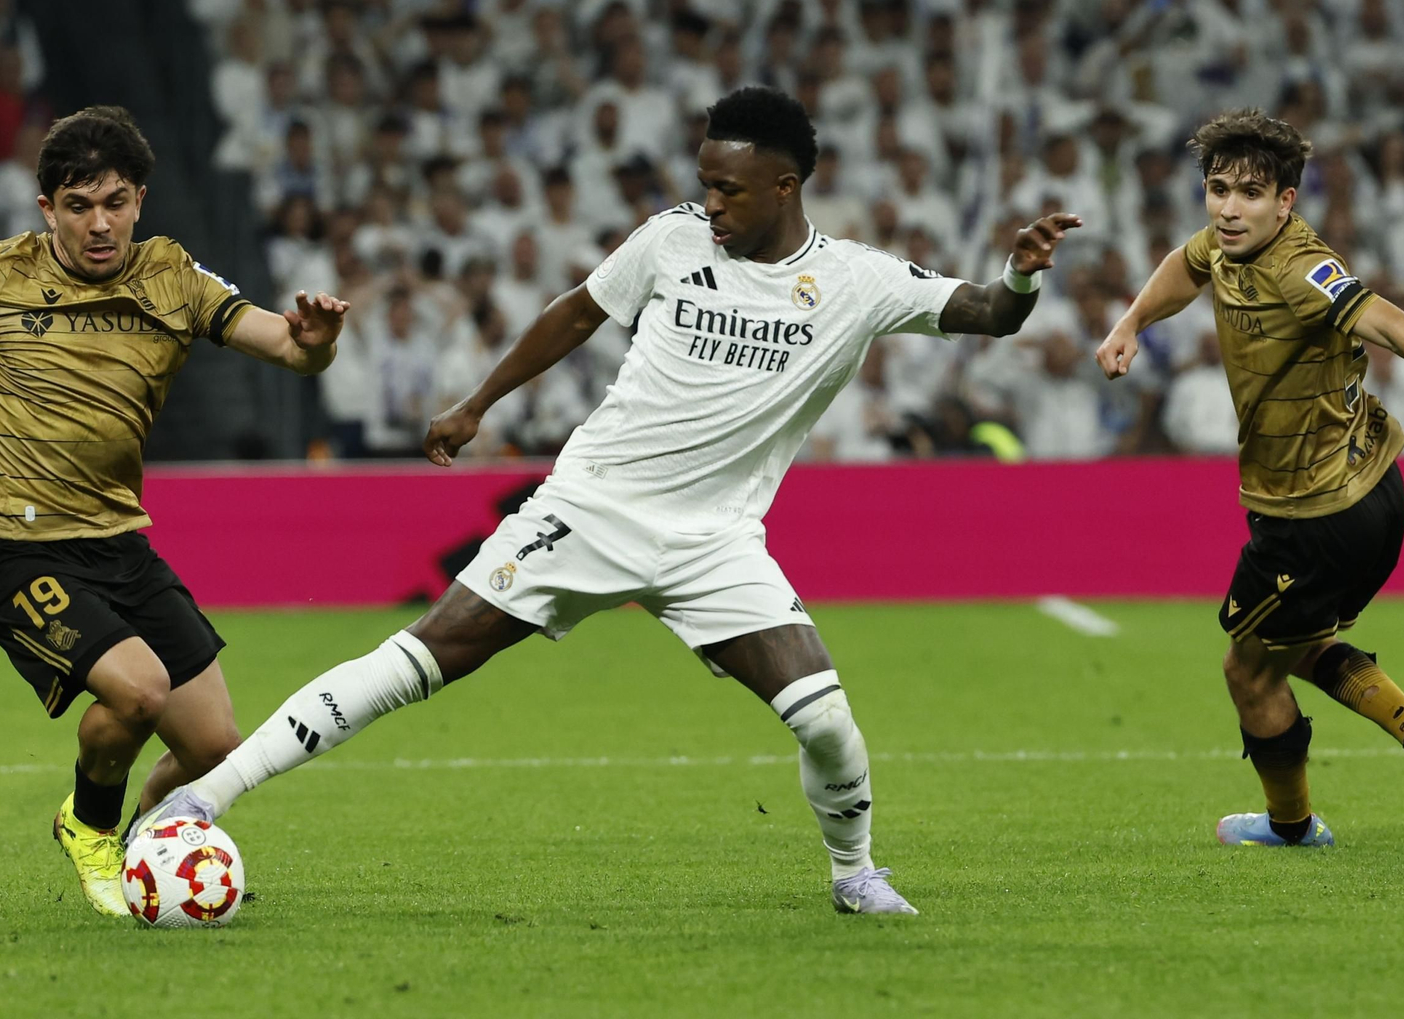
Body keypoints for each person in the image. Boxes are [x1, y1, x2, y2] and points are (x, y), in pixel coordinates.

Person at [138, 87, 1080, 915]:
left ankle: (854, 873)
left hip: (714, 542)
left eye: (730, 189)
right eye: (704, 181)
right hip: (587, 511)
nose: (709, 203)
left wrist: (1022, 273)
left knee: (826, 719)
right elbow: (576, 312)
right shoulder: (670, 239)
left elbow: (991, 316)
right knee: (419, 658)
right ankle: (204, 801)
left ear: (786, 187)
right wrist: (477, 404)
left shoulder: (857, 281)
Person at [0, 106, 350, 916]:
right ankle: (90, 823)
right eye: (78, 205)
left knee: (215, 750)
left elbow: (292, 349)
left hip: (119, 545)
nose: (99, 223)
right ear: (46, 208)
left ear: (140, 201)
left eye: (114, 202)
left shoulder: (173, 278)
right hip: (12, 549)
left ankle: (151, 844)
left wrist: (320, 339)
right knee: (139, 691)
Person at [1095, 108, 1404, 848]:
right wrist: (1132, 322)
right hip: (1365, 487)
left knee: (1248, 671)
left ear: (1285, 202)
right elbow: (1186, 265)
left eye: (1250, 194)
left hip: (1318, 513)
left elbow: (1382, 319)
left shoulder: (1296, 265)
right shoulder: (1227, 247)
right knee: (1293, 644)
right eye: (1218, 188)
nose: (1229, 208)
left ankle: (1292, 826)